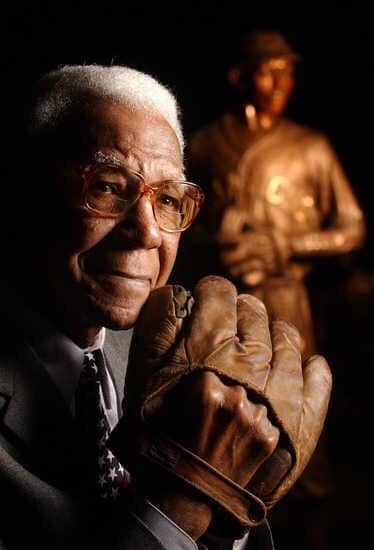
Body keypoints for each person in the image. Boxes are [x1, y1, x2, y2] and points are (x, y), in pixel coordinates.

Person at [0, 65, 330, 550]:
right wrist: (185, 499)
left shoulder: (169, 359)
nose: (150, 232)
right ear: (25, 196)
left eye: (169, 198)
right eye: (109, 187)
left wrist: (227, 506)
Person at [187, 30, 365, 359]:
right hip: (222, 297)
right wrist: (220, 236)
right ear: (239, 77)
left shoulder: (311, 148)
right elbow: (178, 224)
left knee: (292, 388)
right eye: (269, 72)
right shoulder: (204, 146)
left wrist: (285, 245)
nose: (281, 83)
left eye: (288, 73)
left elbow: (353, 229)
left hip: (288, 300)